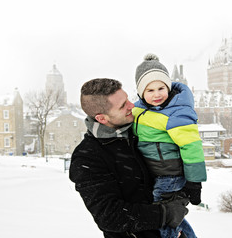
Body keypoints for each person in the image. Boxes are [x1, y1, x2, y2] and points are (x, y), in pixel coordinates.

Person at [69, 78, 190, 238]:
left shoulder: (141, 131)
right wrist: (164, 213)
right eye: (122, 106)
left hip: (175, 232)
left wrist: (185, 189)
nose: (131, 105)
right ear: (102, 119)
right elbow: (109, 215)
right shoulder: (87, 157)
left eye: (127, 99)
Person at [132, 54, 207, 238]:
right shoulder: (139, 110)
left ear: (169, 87)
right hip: (154, 173)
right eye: (150, 90)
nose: (156, 94)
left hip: (170, 175)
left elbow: (192, 147)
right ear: (141, 93)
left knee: (163, 215)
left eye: (161, 88)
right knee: (174, 216)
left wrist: (194, 181)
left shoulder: (177, 111)